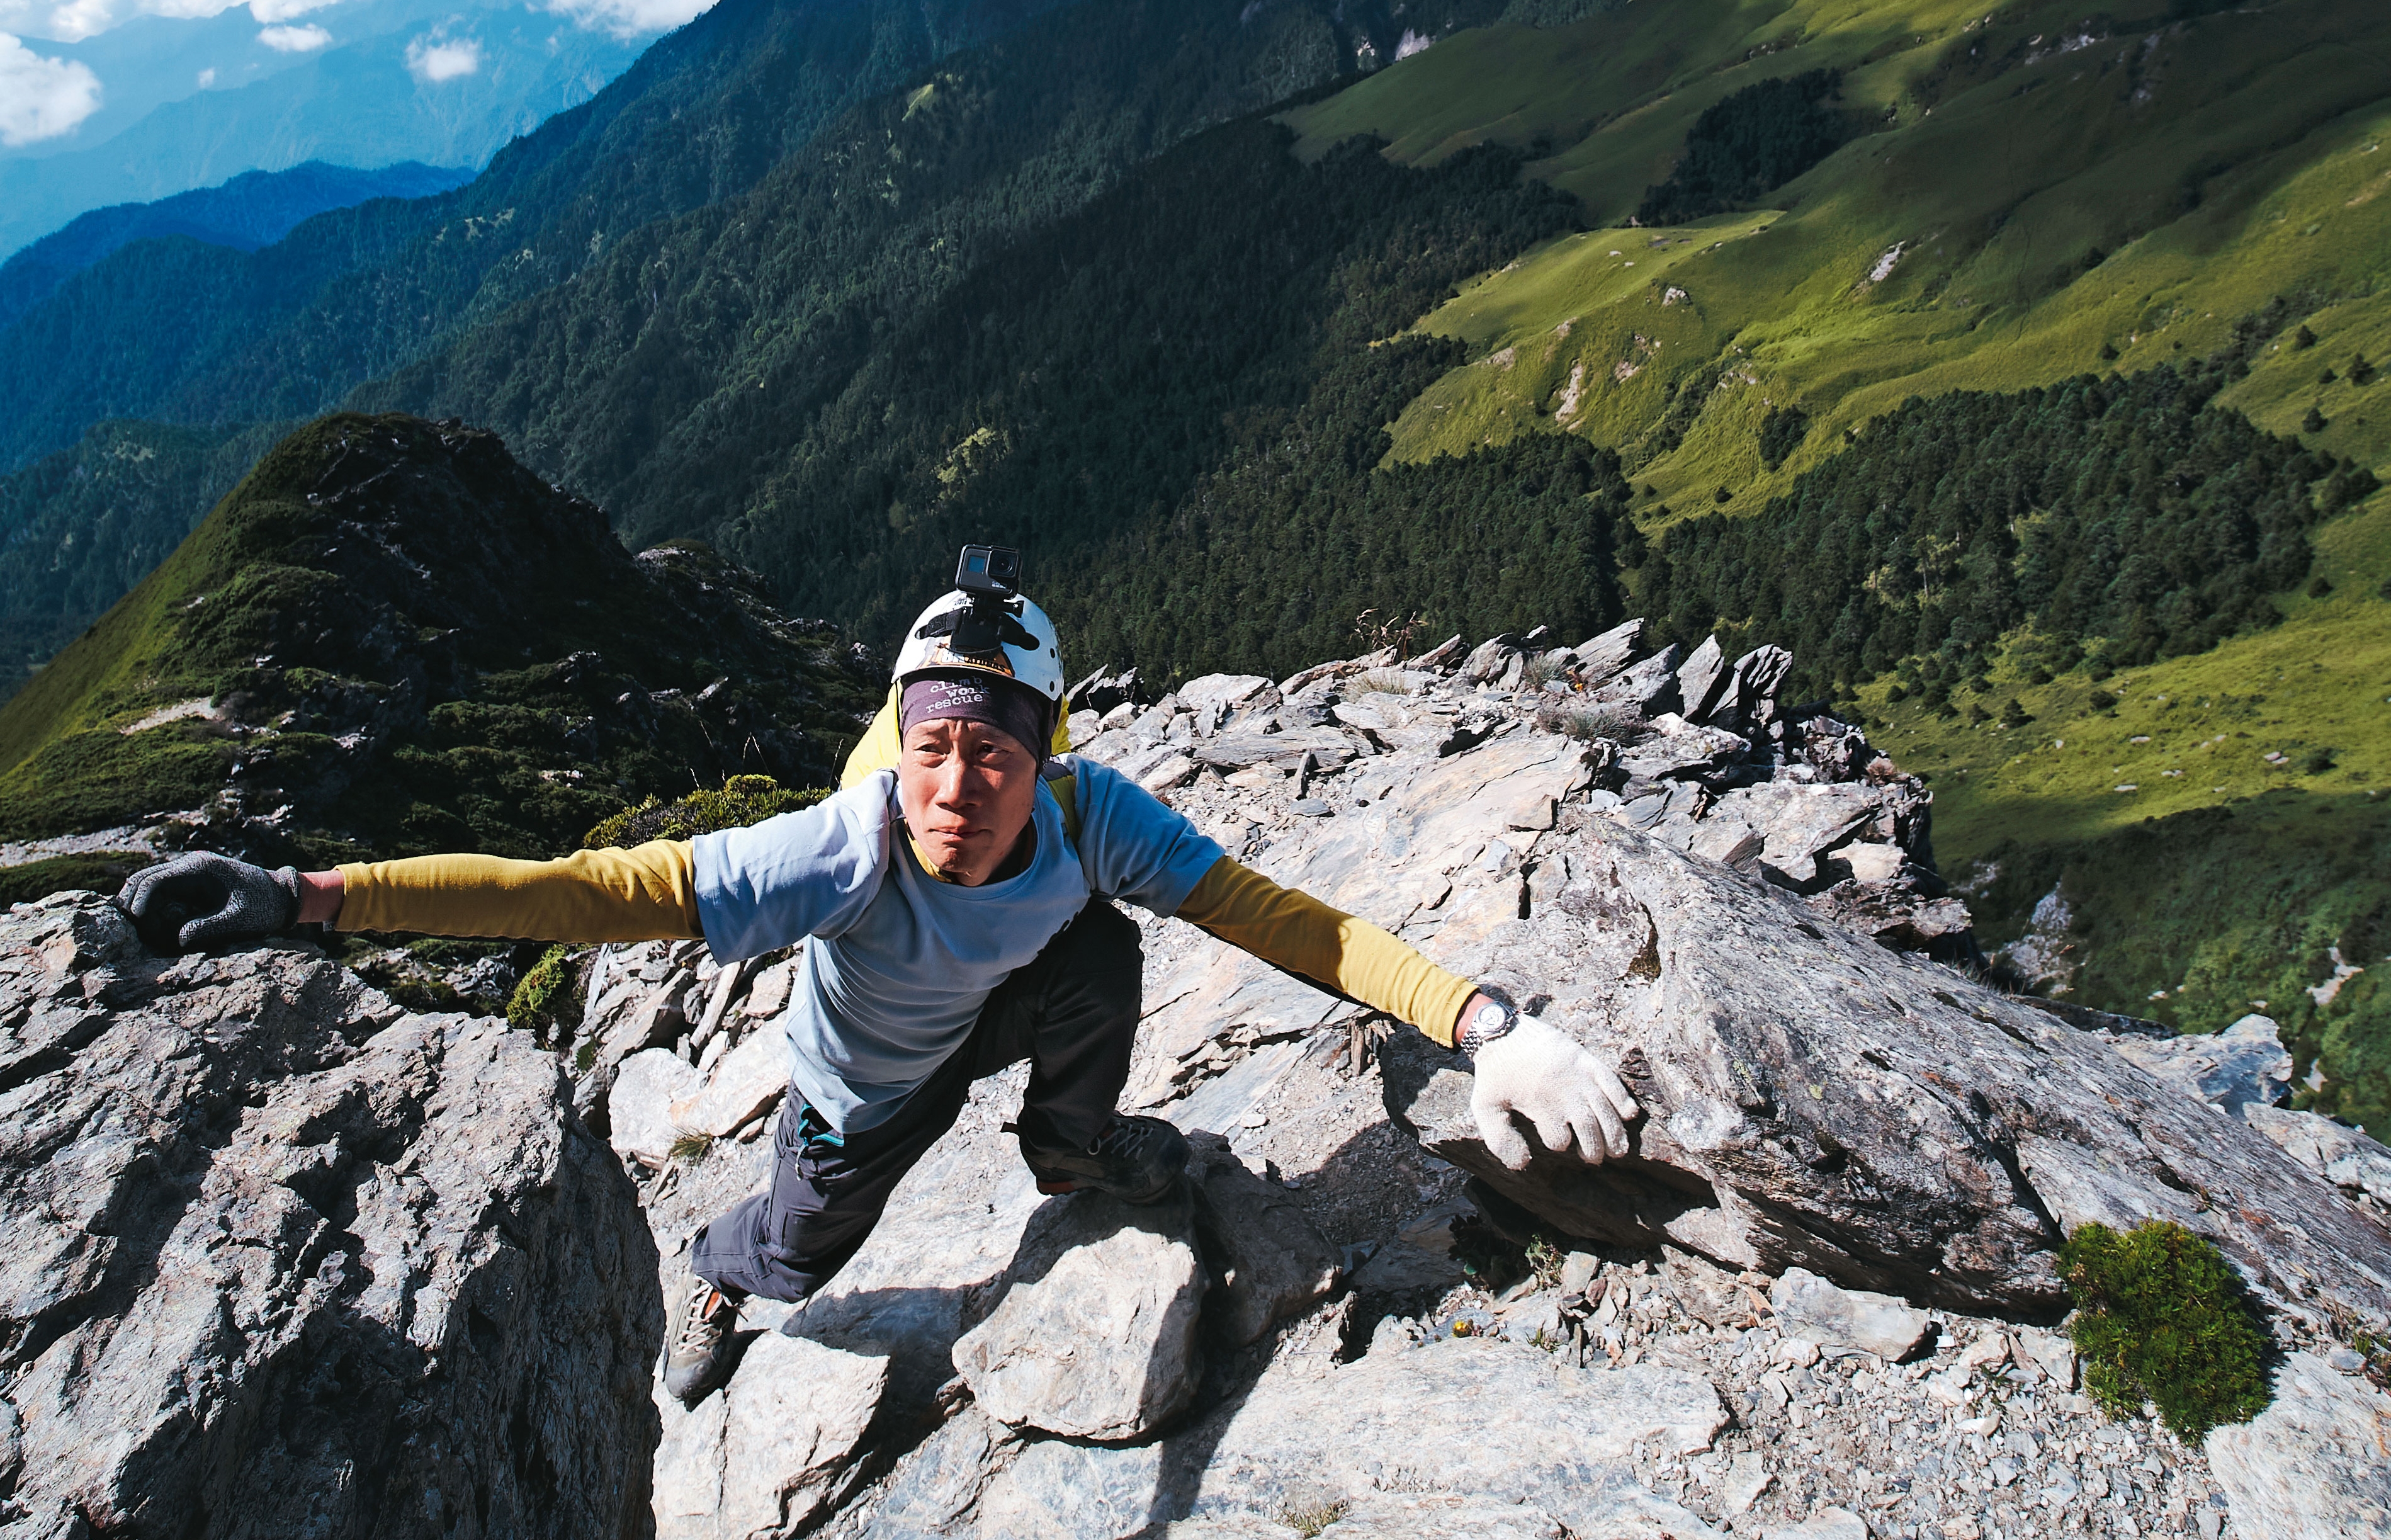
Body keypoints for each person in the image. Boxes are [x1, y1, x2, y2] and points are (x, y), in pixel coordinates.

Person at [121, 551, 1641, 1407]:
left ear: (1043, 753)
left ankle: (1068, 1147)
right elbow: (587, 892)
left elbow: (1280, 921)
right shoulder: (843, 848)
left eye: (992, 751)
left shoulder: (1088, 819)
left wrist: (1482, 1022)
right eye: (932, 745)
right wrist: (311, 897)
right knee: (802, 1250)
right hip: (865, 1083)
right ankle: (718, 1278)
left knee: (1105, 943)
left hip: (1006, 1000)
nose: (957, 784)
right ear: (898, 739)